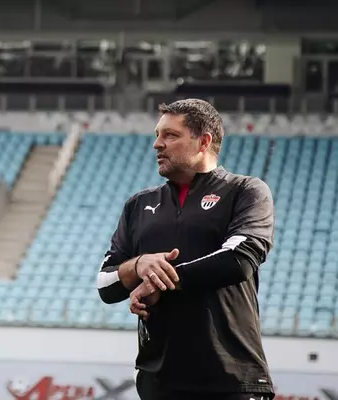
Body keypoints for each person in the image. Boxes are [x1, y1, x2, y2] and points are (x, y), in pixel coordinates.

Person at [96, 99, 275, 400]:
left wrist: (159, 282)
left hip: (231, 378)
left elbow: (239, 259)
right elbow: (106, 285)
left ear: (203, 142)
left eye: (170, 135)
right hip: (159, 381)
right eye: (157, 135)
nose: (157, 144)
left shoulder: (246, 191)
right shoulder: (138, 205)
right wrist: (139, 265)